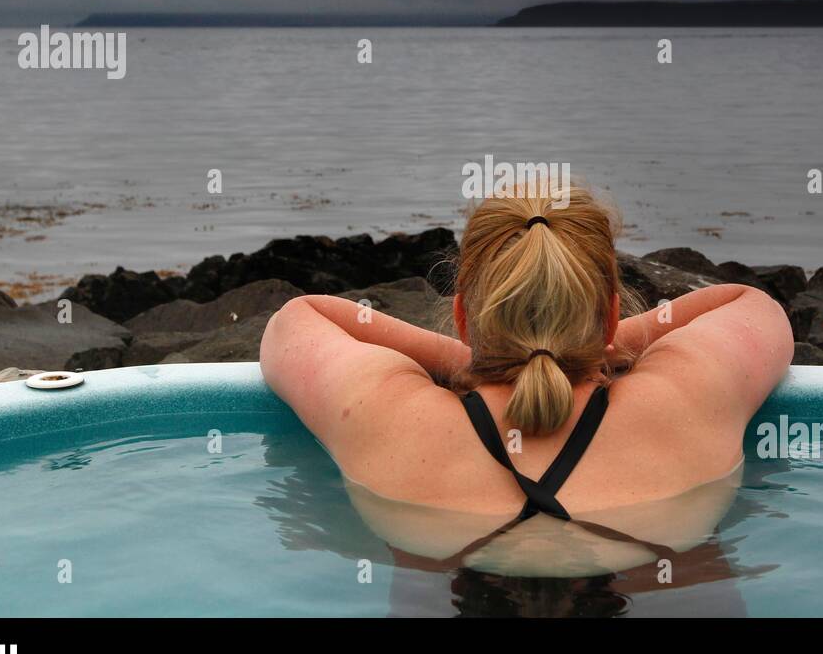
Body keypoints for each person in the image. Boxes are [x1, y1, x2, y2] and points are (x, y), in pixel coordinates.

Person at [260, 182, 794, 579]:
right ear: (609, 315)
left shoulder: (390, 416)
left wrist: (463, 357)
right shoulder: (690, 395)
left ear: (465, 315)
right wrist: (589, 343)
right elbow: (747, 303)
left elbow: (299, 317)